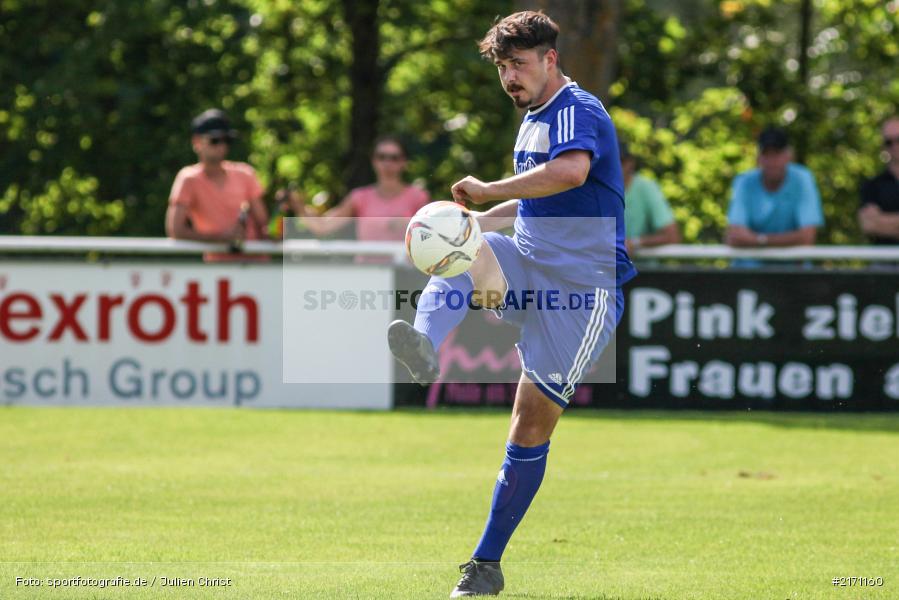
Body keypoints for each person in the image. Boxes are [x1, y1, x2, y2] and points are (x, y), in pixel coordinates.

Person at [384, 11, 636, 597]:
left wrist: (489, 189)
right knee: (464, 245)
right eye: (501, 67)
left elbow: (571, 174)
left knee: (528, 428)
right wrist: (470, 218)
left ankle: (486, 565)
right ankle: (424, 342)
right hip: (527, 263)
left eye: (518, 64)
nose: (509, 77)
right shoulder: (531, 121)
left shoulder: (578, 108)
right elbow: (532, 204)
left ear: (551, 58)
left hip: (580, 292)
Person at [166, 109, 269, 261]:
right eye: (215, 140)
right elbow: (175, 230)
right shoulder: (188, 179)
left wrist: (277, 227)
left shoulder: (245, 173)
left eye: (227, 140)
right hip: (218, 274)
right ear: (196, 142)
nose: (222, 146)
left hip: (257, 268)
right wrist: (220, 238)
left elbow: (264, 225)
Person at [300, 136, 430, 241]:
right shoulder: (359, 197)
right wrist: (298, 206)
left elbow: (430, 235)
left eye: (394, 158)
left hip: (405, 272)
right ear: (373, 161)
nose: (387, 163)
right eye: (381, 157)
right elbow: (323, 227)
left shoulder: (418, 196)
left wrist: (407, 225)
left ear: (404, 162)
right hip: (368, 271)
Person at [725, 126, 823, 250]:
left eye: (777, 153)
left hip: (792, 268)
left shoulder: (802, 179)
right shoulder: (743, 181)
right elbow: (734, 236)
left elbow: (807, 237)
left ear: (789, 155)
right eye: (766, 154)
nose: (772, 161)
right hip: (748, 268)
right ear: (758, 158)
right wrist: (788, 239)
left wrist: (759, 239)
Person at [620, 141, 680, 255]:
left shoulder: (646, 187)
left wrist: (634, 243)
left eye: (620, 161)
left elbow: (672, 235)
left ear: (630, 162)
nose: (614, 167)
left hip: (642, 270)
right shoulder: (592, 188)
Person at [858, 117, 899, 244]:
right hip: (884, 261)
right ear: (883, 146)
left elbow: (875, 223)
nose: (895, 146)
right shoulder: (872, 185)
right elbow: (868, 224)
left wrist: (882, 221)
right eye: (889, 142)